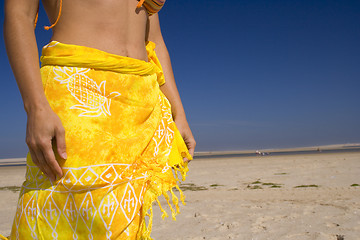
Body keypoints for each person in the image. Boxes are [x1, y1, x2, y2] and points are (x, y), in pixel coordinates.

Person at [2, 0, 196, 239]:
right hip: (78, 88)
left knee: (123, 218)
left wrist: (180, 113)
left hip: (141, 98)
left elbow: (154, 41)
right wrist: (35, 106)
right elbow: (19, 14)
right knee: (61, 208)